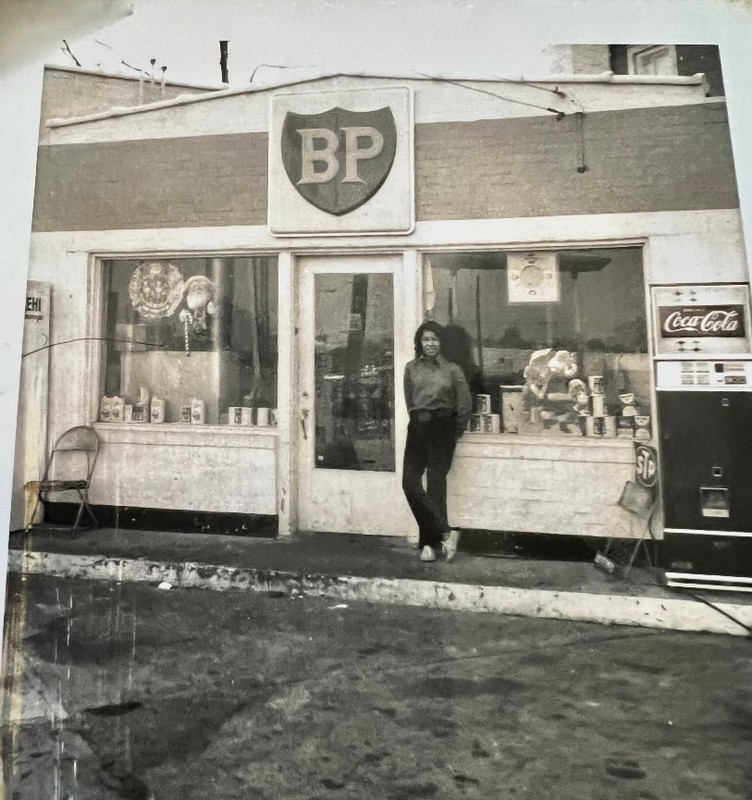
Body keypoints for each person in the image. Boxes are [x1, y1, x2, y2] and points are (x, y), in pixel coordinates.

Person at [402, 321, 472, 562]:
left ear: (441, 343)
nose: (430, 344)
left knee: (435, 483)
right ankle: (446, 530)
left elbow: (464, 405)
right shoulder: (411, 368)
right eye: (426, 339)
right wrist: (418, 420)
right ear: (419, 342)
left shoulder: (453, 370)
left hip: (443, 429)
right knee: (410, 483)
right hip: (418, 428)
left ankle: (428, 545)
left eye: (434, 339)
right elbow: (409, 400)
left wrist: (454, 431)